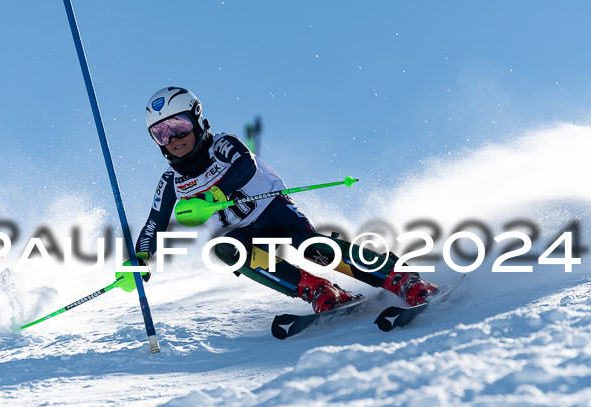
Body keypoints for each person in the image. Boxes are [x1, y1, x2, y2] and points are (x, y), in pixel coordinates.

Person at [128, 86, 436, 313]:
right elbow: (154, 225)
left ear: (196, 120)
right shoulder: (171, 182)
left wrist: (213, 196)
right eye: (161, 133)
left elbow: (244, 167)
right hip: (243, 234)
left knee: (312, 247)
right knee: (224, 248)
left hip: (274, 211)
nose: (173, 139)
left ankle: (399, 278)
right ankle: (316, 289)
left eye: (179, 126)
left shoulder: (222, 144)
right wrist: (140, 258)